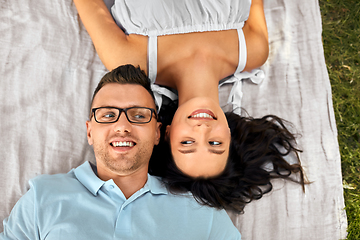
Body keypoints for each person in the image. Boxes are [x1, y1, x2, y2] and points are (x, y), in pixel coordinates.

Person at [73, 0, 306, 213]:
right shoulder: (254, 50)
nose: (201, 128)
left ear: (166, 132)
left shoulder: (129, 57)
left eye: (187, 143)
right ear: (229, 133)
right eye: (215, 143)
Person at [0, 65, 241, 240]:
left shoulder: (201, 212)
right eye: (107, 115)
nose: (122, 126)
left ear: (157, 133)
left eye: (138, 115)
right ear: (89, 132)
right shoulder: (43, 198)